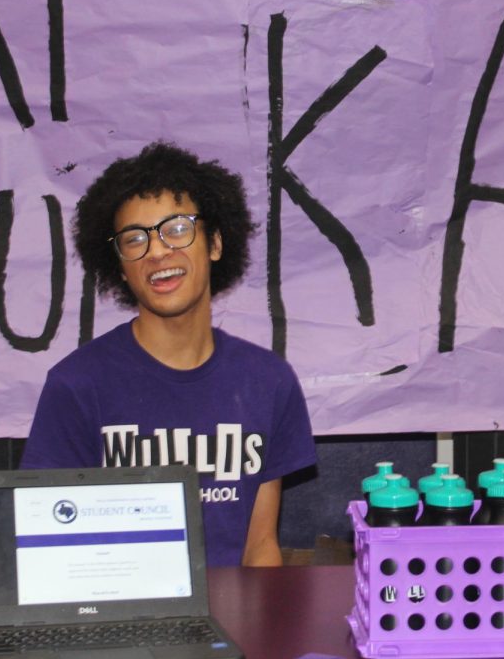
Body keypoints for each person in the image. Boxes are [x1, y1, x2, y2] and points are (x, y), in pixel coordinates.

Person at [21, 141, 317, 567]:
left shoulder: (268, 381)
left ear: (214, 242)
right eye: (134, 239)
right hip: (119, 623)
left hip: (234, 627)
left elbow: (259, 548)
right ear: (121, 267)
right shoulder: (76, 385)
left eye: (176, 229)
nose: (157, 251)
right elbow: (51, 546)